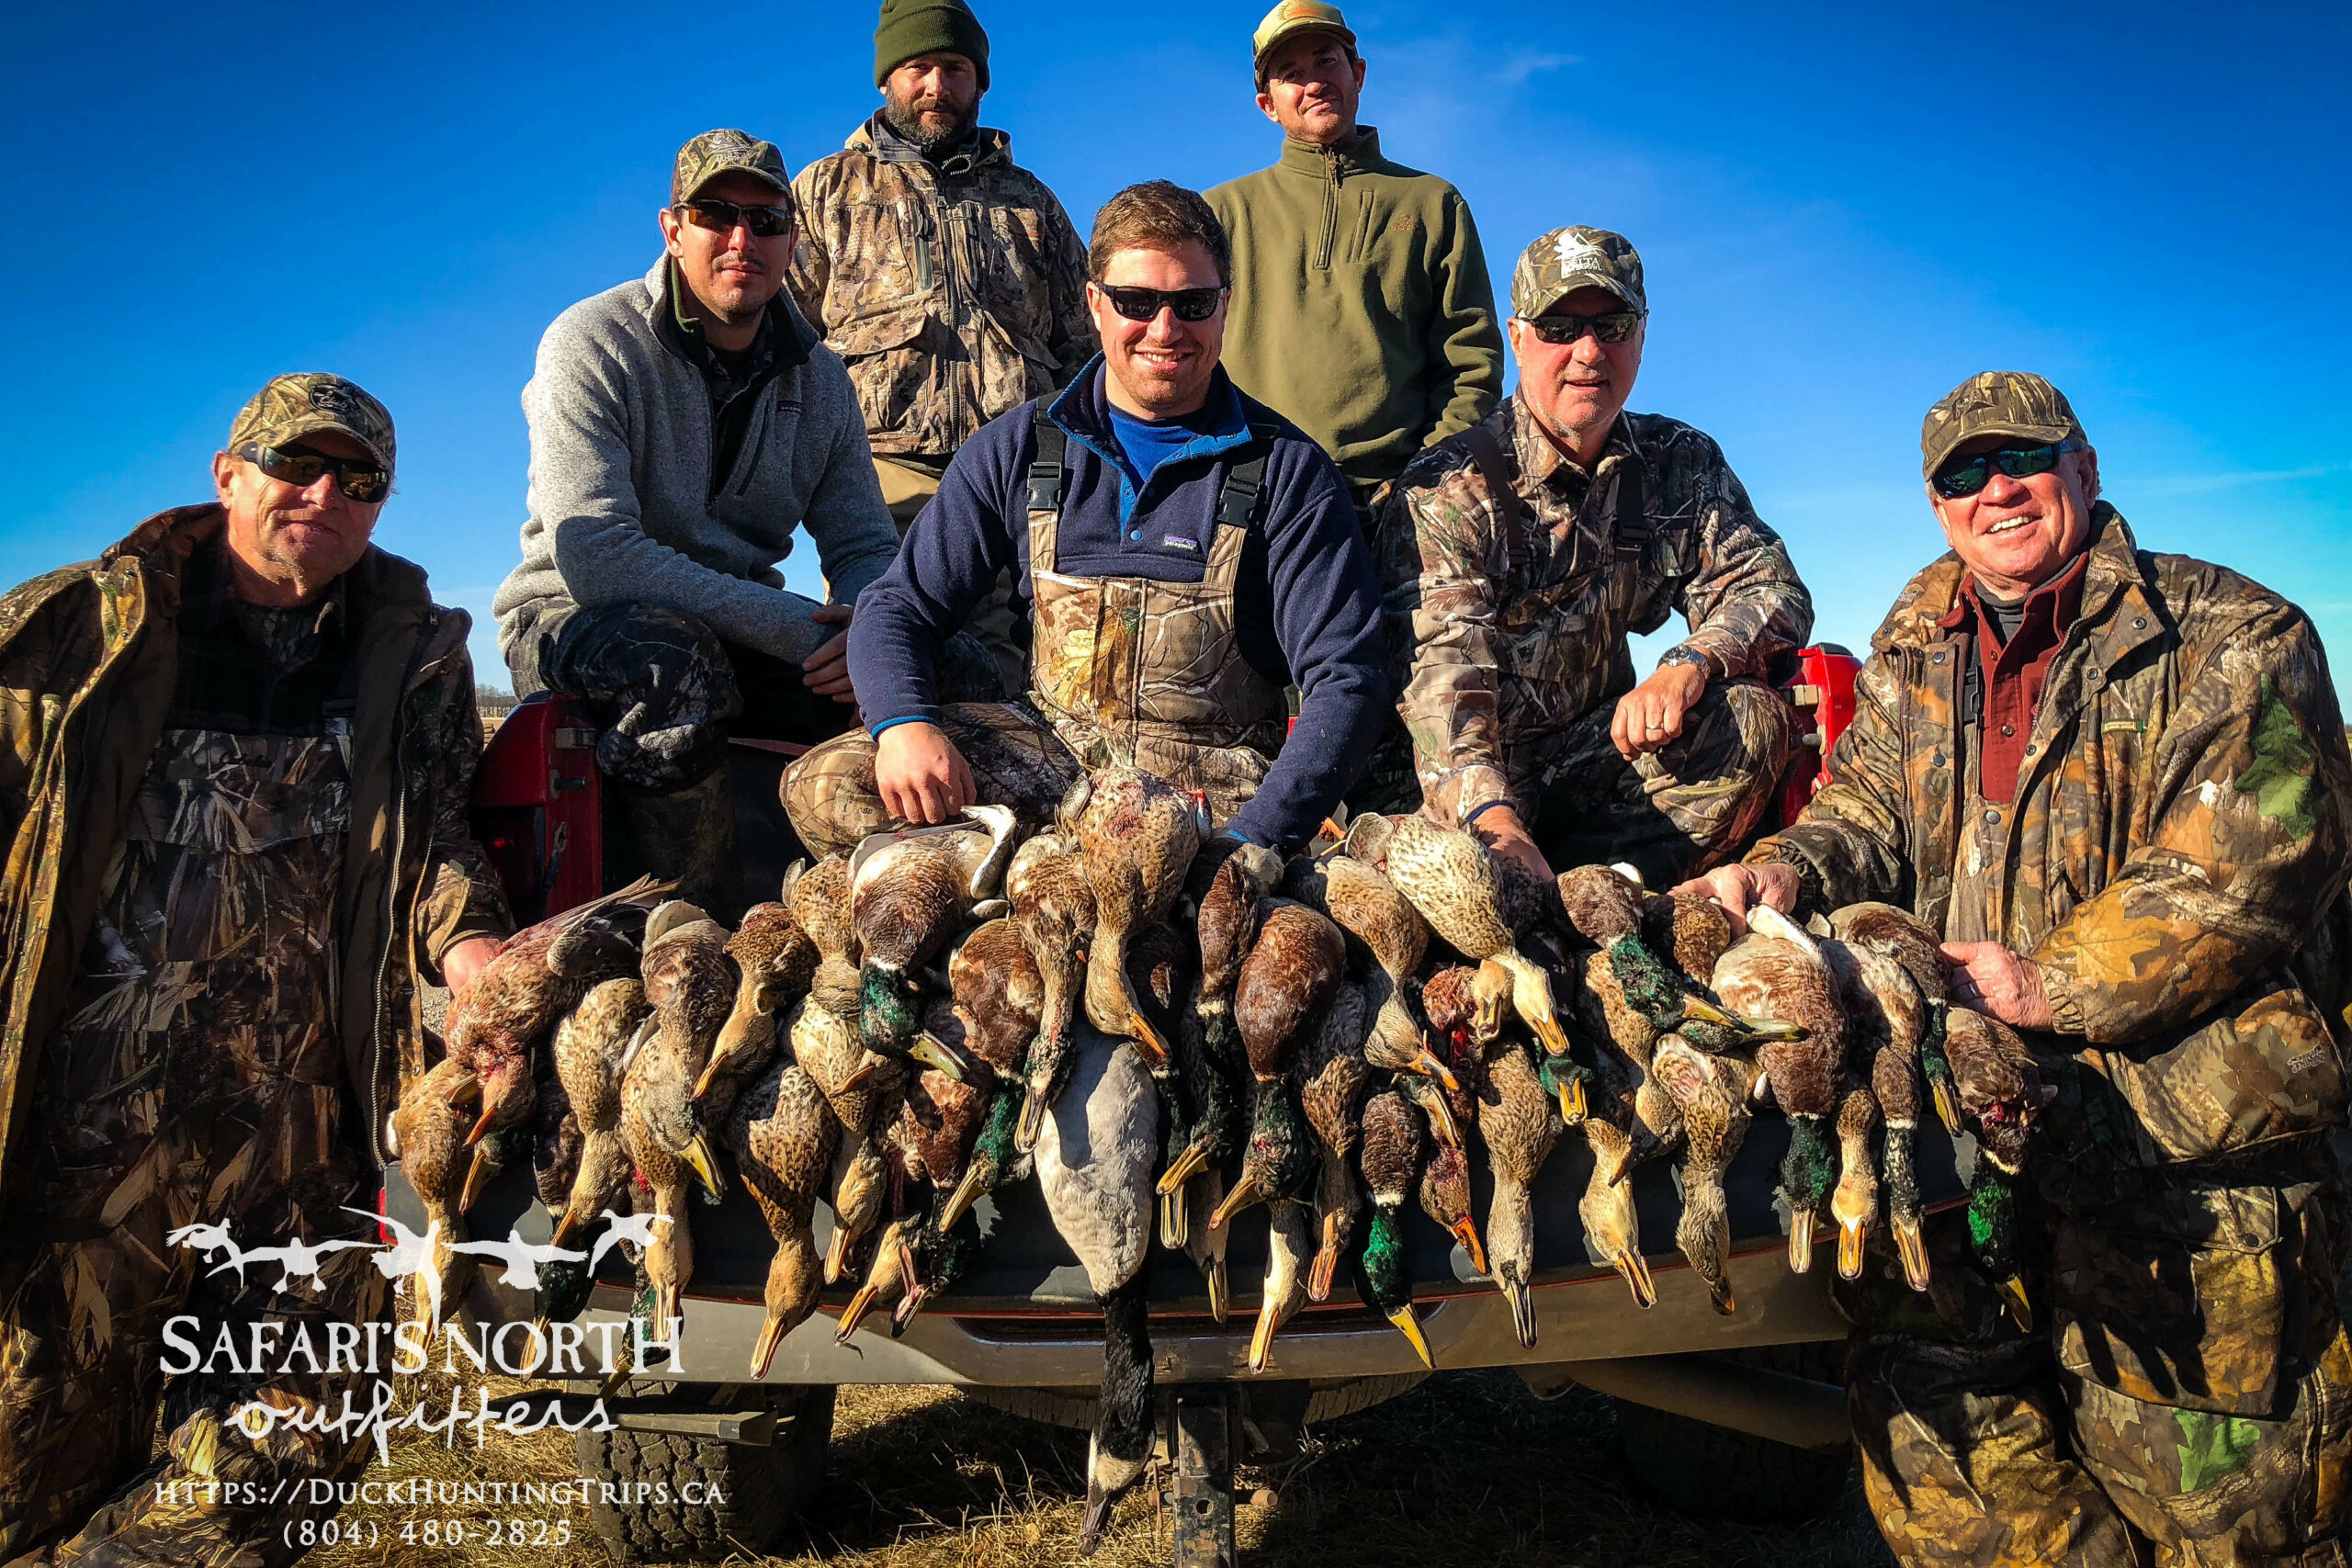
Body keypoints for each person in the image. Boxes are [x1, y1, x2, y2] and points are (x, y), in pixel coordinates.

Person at [1680, 371, 2352, 1565]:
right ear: (1935, 502)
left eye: (2022, 458)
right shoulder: (1918, 641)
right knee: (1968, 1500)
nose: (1994, 489)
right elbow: (1867, 806)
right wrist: (1782, 868)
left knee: (2230, 1528)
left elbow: (2244, 868)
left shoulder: (2234, 636)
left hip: (2180, 1184)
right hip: (1952, 1163)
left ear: (2084, 468)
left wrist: (2037, 982)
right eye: (1960, 472)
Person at [0, 375, 513, 1562]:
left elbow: (434, 841)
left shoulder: (408, 661)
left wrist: (470, 944)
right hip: (84, 1157)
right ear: (227, 472)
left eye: (360, 478)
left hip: (293, 1145)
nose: (325, 492)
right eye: (299, 461)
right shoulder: (77, 634)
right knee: (32, 1464)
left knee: (285, 1456)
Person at [783, 180, 1388, 860]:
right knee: (827, 783)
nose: (1166, 330)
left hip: (1212, 797)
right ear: (1095, 303)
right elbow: (897, 607)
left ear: (1224, 306)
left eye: (1192, 303)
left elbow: (1347, 675)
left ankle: (1008, 878)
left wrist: (1253, 842)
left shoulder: (1289, 469)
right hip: (1050, 769)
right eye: (1137, 302)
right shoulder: (1018, 446)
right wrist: (904, 725)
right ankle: (995, 878)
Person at [491, 129, 908, 918]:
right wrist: (804, 632)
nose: (742, 239)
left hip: (740, 633)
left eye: (768, 219)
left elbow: (860, 543)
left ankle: (881, 932)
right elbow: (598, 555)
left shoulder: (821, 378)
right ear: (672, 227)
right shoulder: (591, 341)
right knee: (671, 660)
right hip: (573, 620)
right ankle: (695, 946)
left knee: (944, 664)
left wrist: (869, 634)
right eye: (717, 213)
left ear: (793, 238)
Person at [1372, 226, 1814, 886]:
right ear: (1517, 338)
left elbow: (1772, 589)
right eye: (1558, 327)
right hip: (1456, 787)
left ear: (1642, 334)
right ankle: (1543, 886)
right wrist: (1493, 822)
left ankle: (1620, 891)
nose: (1588, 352)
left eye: (1611, 324)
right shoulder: (1450, 483)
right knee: (1456, 880)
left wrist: (1692, 661)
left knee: (1750, 721)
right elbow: (1442, 681)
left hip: (1587, 768)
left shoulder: (1680, 463)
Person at [788, 0, 1096, 693]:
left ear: (979, 82)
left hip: (1022, 469)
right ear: (886, 81)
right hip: (884, 476)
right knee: (895, 654)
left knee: (1016, 673)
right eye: (917, 68)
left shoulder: (1030, 200)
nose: (936, 85)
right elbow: (785, 346)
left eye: (955, 68)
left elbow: (1084, 342)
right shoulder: (824, 191)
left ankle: (1012, 798)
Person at [1205, 0, 1504, 511]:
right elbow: (1183, 354)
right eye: (1290, 73)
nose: (1314, 82)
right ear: (1267, 104)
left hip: (1398, 502)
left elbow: (1469, 363)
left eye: (1326, 61)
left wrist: (1426, 480)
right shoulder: (1219, 212)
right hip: (1248, 499)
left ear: (1358, 74)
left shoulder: (1432, 202)